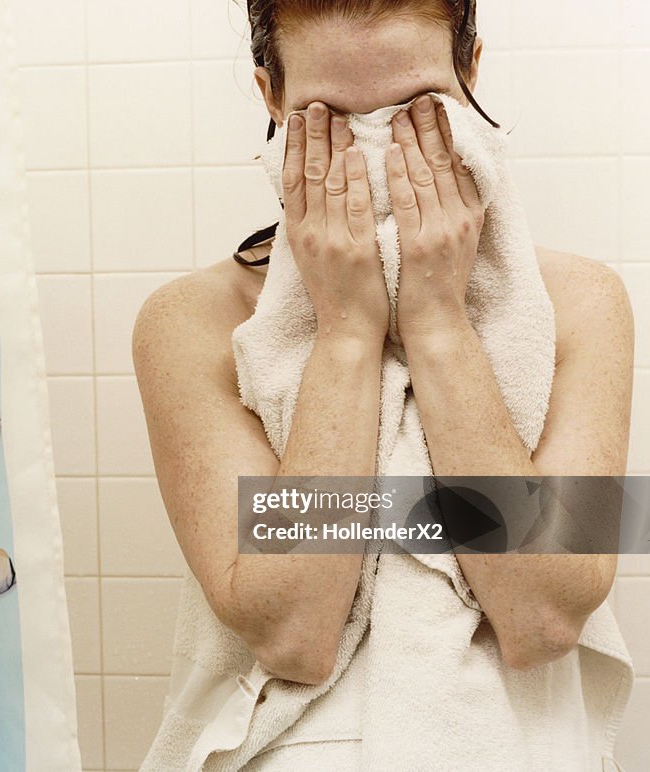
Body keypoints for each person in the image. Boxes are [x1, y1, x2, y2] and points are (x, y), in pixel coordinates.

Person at [133, 0, 635, 768]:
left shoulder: (585, 304)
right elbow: (294, 631)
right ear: (272, 99)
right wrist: (344, 332)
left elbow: (543, 617)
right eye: (329, 116)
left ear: (470, 72)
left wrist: (438, 322)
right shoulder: (188, 323)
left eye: (415, 109)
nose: (378, 147)